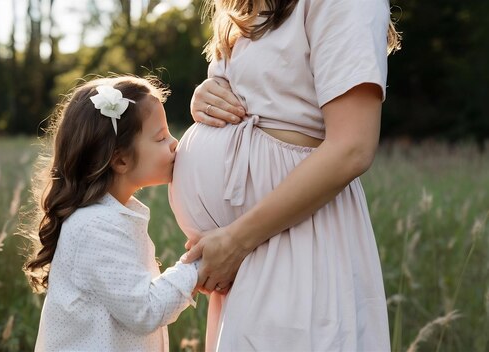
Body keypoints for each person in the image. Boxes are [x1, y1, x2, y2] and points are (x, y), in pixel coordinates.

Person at [169, 0, 401, 350]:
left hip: (295, 242)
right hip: (246, 252)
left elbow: (352, 147)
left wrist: (235, 241)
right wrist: (204, 97)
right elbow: (266, 94)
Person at [23, 76, 201, 351]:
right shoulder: (94, 226)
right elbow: (145, 310)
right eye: (161, 137)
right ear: (120, 159)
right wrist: (198, 267)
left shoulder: (109, 217)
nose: (174, 143)